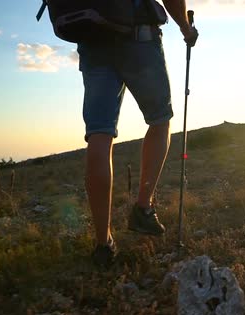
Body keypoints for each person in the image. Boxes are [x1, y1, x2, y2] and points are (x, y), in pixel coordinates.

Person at [77, 0, 198, 268]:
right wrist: (186, 28)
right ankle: (143, 208)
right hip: (138, 37)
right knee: (160, 120)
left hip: (92, 41)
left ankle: (103, 245)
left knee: (98, 136)